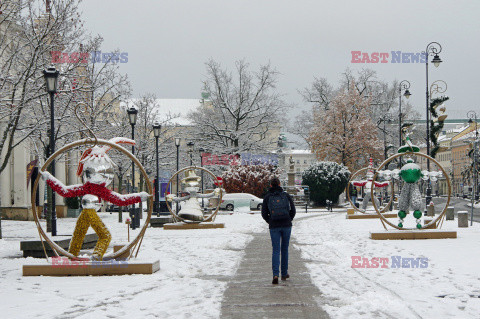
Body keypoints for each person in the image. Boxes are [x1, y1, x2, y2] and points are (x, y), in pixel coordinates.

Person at [261, 177, 296, 284]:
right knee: (284, 249)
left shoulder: (267, 197)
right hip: (286, 225)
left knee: (276, 250)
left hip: (274, 226)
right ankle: (284, 273)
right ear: (280, 184)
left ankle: (275, 274)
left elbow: (264, 213)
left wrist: (270, 221)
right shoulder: (286, 195)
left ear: (271, 185)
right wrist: (289, 219)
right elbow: (293, 210)